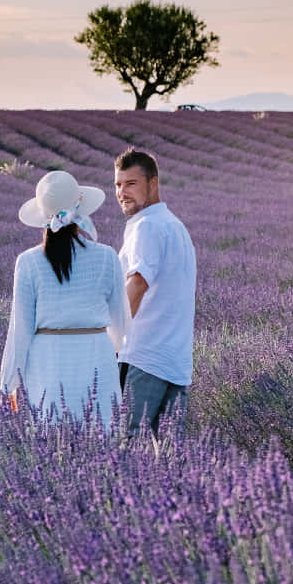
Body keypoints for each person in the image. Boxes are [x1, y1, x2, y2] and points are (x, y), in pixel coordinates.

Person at [0, 170, 129, 425]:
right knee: (103, 444)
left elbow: (20, 330)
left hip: (48, 361)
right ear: (80, 208)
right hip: (96, 358)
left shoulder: (28, 262)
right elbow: (121, 325)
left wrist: (9, 383)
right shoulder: (107, 256)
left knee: (54, 444)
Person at [114, 148, 196, 435]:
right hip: (175, 361)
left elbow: (137, 283)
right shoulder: (175, 226)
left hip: (143, 358)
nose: (122, 192)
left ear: (153, 183)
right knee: (170, 460)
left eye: (131, 184)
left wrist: (111, 340)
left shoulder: (147, 226)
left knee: (127, 447)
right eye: (118, 184)